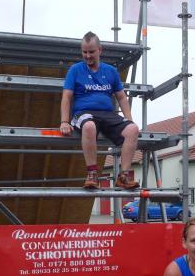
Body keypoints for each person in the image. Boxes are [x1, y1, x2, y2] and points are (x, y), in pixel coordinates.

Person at [60, 31, 140, 190]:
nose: (87, 56)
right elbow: (66, 97)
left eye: (91, 52)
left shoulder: (111, 71)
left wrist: (129, 118)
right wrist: (64, 121)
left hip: (107, 115)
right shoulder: (75, 70)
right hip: (84, 113)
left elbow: (121, 97)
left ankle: (123, 176)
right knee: (89, 126)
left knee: (133, 129)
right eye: (84, 52)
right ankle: (92, 174)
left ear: (100, 50)